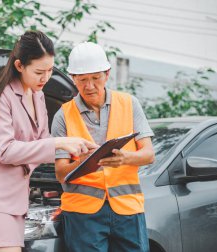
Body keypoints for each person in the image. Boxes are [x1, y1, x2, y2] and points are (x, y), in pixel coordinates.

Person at [0, 31, 97, 252]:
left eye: (50, 70)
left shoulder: (38, 95)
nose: (45, 78)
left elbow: (42, 143)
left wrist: (75, 151)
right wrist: (59, 143)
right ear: (19, 65)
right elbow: (6, 150)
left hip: (16, 199)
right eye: (38, 72)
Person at [51, 41, 155, 252]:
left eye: (95, 78)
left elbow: (149, 155)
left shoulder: (129, 103)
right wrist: (84, 160)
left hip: (127, 209)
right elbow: (61, 173)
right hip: (83, 214)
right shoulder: (63, 115)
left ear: (107, 74)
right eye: (82, 80)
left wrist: (125, 158)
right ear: (73, 79)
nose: (89, 86)